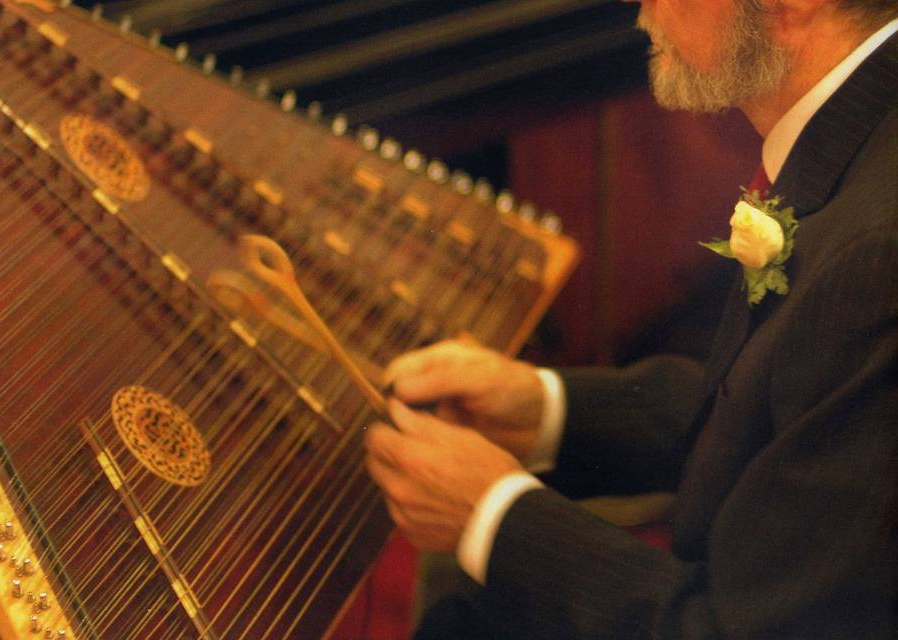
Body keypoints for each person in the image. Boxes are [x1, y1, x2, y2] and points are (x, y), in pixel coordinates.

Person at [364, 0, 898, 637]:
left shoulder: (879, 253)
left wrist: (494, 518)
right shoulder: (863, 133)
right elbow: (783, 408)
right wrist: (545, 409)